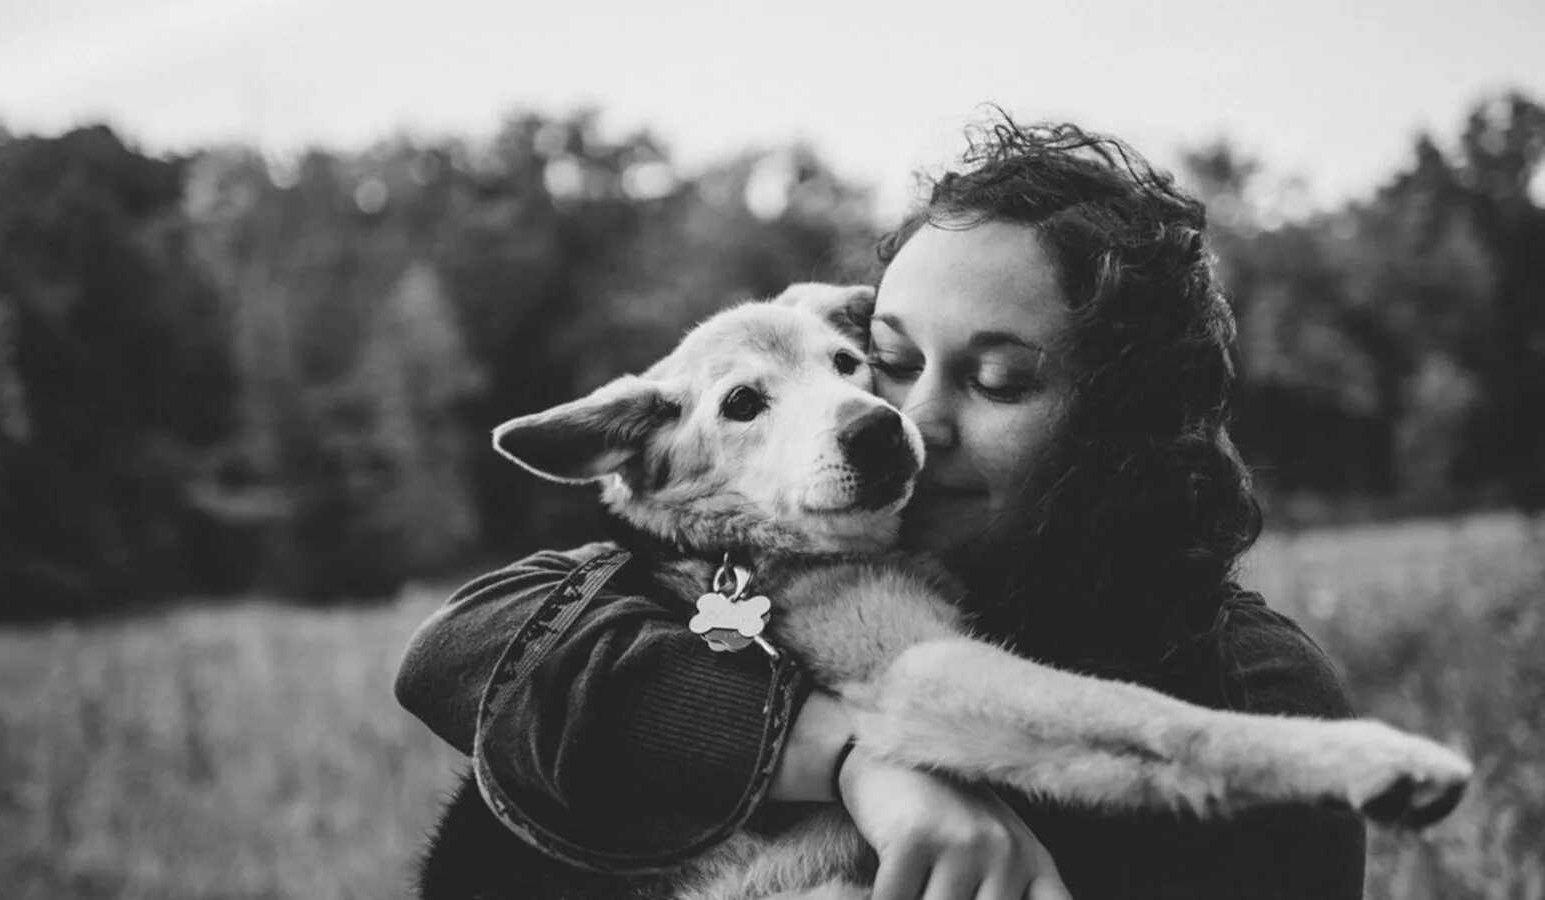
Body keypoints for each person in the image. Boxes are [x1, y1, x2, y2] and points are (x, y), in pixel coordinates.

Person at [396, 115, 1367, 900]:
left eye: (997, 379)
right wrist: (851, 755)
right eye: (895, 362)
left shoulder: (1251, 689)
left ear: (1130, 420)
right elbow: (455, 650)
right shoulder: (729, 582)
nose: (903, 420)